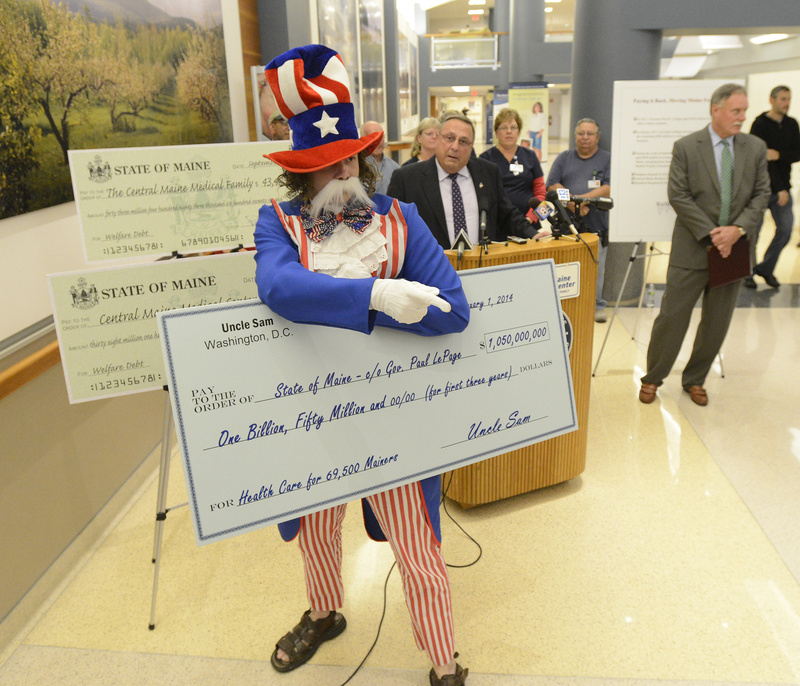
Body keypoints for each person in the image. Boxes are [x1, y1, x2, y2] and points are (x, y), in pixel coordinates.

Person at [254, 44, 470, 686]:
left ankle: (443, 659)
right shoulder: (278, 226)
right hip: (316, 422)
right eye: (323, 167)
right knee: (319, 533)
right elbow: (278, 288)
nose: (340, 175)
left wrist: (409, 305)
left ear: (362, 158)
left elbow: (453, 309)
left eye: (347, 159)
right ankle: (324, 612)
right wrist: (378, 296)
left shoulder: (399, 222)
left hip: (392, 424)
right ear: (301, 174)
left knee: (418, 549)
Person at [639, 83, 770, 407]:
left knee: (717, 322)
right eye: (736, 111)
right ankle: (653, 378)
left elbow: (761, 194)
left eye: (744, 111)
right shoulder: (686, 147)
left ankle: (695, 379)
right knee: (672, 318)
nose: (742, 117)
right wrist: (714, 234)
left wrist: (737, 230)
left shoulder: (754, 148)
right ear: (716, 109)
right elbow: (678, 195)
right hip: (694, 246)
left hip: (734, 250)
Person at [387, 112, 534, 250]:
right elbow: (391, 230)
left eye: (463, 142)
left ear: (471, 147)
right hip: (430, 272)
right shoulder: (406, 179)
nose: (455, 147)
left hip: (481, 267)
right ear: (438, 138)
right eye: (449, 138)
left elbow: (507, 214)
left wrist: (534, 235)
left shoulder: (487, 172)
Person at [546, 118, 611, 322]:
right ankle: (565, 305)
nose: (584, 138)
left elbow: (609, 186)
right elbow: (552, 183)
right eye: (581, 133)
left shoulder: (606, 159)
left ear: (597, 137)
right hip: (567, 223)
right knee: (566, 265)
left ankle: (597, 305)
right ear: (575, 136)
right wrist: (571, 202)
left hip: (597, 224)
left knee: (596, 266)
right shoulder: (565, 157)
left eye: (589, 134)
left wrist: (584, 201)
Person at [744, 85, 800, 289]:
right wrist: (779, 189)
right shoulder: (759, 125)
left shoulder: (792, 124)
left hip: (783, 187)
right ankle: (747, 272)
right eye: (783, 99)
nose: (787, 103)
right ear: (772, 100)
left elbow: (796, 154)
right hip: (760, 189)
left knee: (785, 230)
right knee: (753, 232)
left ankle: (765, 269)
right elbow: (762, 160)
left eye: (789, 99)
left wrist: (779, 154)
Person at [479, 108, 546, 218]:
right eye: (504, 127)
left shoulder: (530, 156)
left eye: (513, 127)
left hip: (528, 222)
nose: (509, 131)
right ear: (496, 132)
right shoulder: (485, 159)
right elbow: (481, 195)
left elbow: (541, 192)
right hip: (497, 224)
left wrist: (531, 218)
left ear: (518, 132)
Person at [361, 120, 400, 194]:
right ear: (362, 139)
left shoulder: (395, 168)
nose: (378, 142)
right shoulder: (356, 168)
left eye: (381, 137)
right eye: (373, 138)